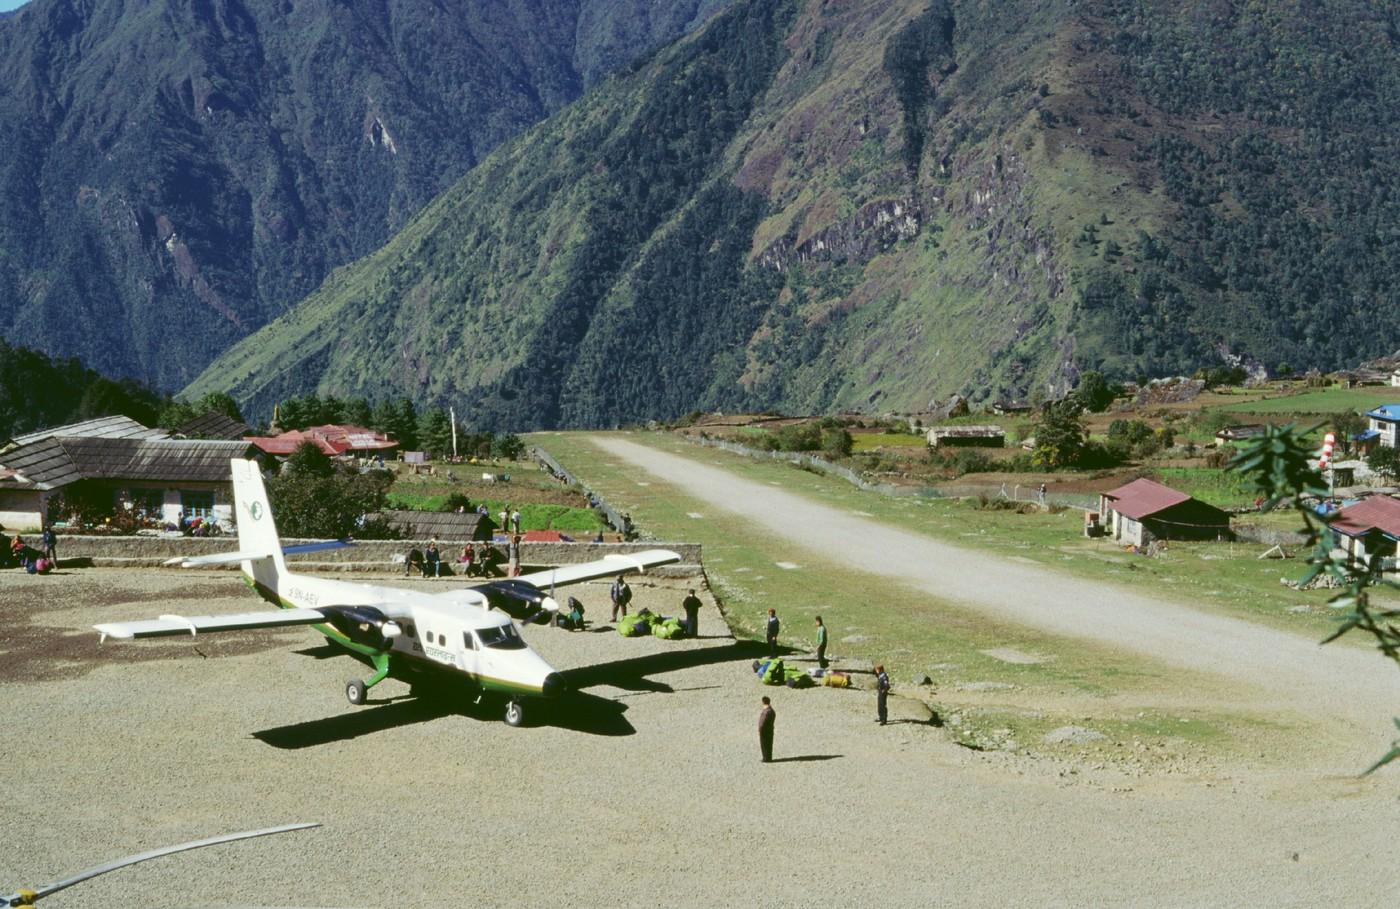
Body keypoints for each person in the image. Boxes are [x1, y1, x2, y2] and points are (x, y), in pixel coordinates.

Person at [757, 696, 776, 763]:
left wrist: (759, 730)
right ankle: (769, 757)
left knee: (764, 745)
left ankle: (766, 758)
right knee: (769, 744)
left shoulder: (766, 712)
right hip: (770, 730)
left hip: (764, 731)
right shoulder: (772, 711)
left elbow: (762, 722)